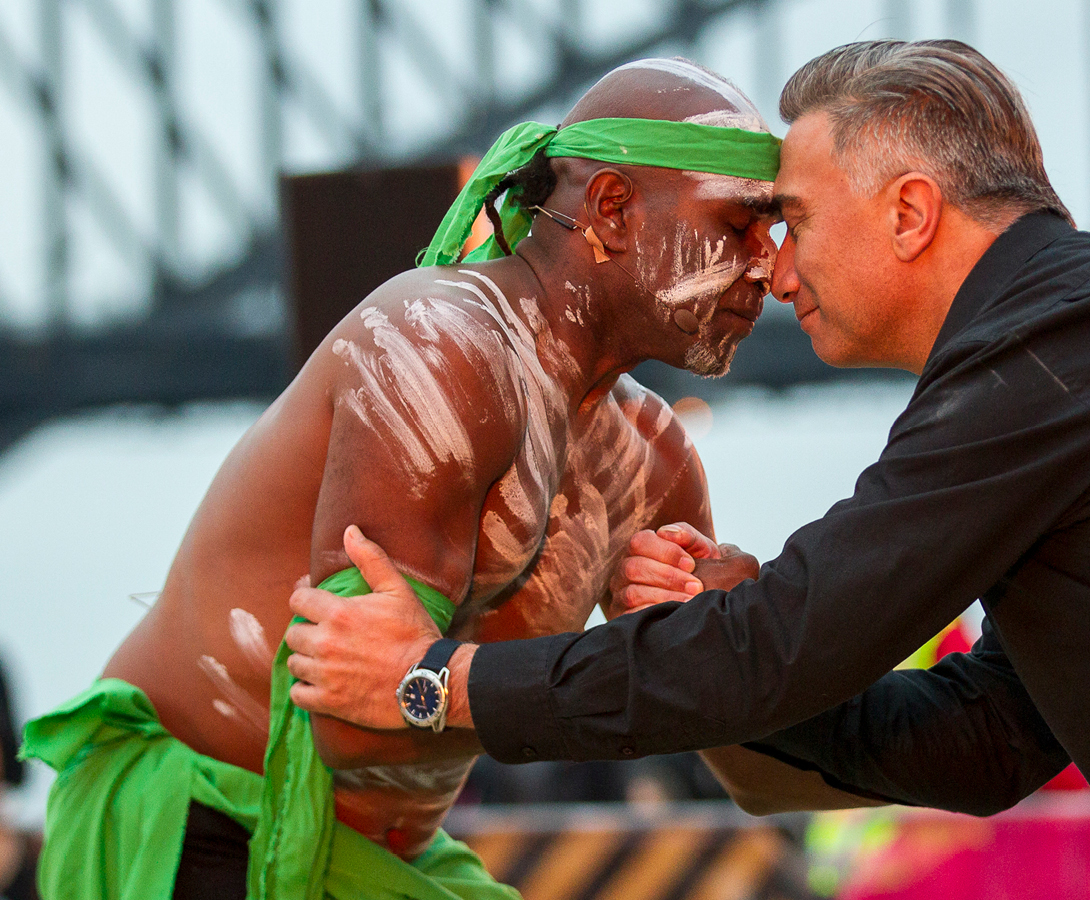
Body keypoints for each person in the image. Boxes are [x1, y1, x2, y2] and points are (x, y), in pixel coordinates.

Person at [283, 40, 1090, 900]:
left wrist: (434, 684)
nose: (772, 270)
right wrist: (726, 645)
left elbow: (788, 638)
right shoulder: (1084, 347)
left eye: (792, 221)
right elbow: (984, 743)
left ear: (910, 213)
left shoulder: (1041, 357)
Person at [19, 58, 781, 900]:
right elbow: (353, 720)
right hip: (204, 823)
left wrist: (725, 641)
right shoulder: (440, 348)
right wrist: (623, 672)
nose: (772, 268)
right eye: (744, 223)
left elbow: (751, 777)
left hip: (387, 862)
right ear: (611, 210)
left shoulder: (652, 460)